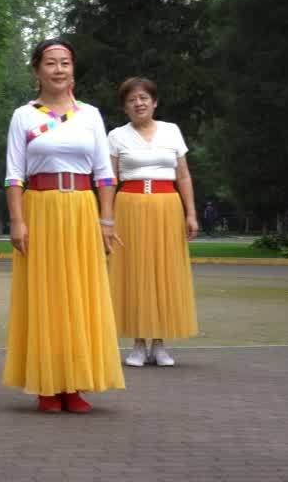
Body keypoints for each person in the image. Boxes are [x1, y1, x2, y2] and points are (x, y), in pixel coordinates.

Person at [2, 39, 124, 413]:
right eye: (51, 63)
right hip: (39, 210)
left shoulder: (90, 115)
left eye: (66, 63)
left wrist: (106, 220)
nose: (59, 69)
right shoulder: (25, 115)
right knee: (46, 295)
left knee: (80, 294)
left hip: (82, 211)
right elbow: (13, 176)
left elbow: (104, 174)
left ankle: (74, 384)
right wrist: (17, 221)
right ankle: (47, 383)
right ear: (37, 70)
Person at [108, 77, 199, 367]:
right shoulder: (116, 136)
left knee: (164, 269)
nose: (139, 103)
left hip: (166, 205)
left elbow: (183, 175)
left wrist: (191, 213)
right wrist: (106, 218)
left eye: (144, 98)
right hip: (129, 206)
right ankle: (137, 343)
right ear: (125, 107)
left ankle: (160, 343)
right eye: (132, 100)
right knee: (134, 270)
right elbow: (108, 180)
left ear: (155, 102)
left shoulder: (172, 132)